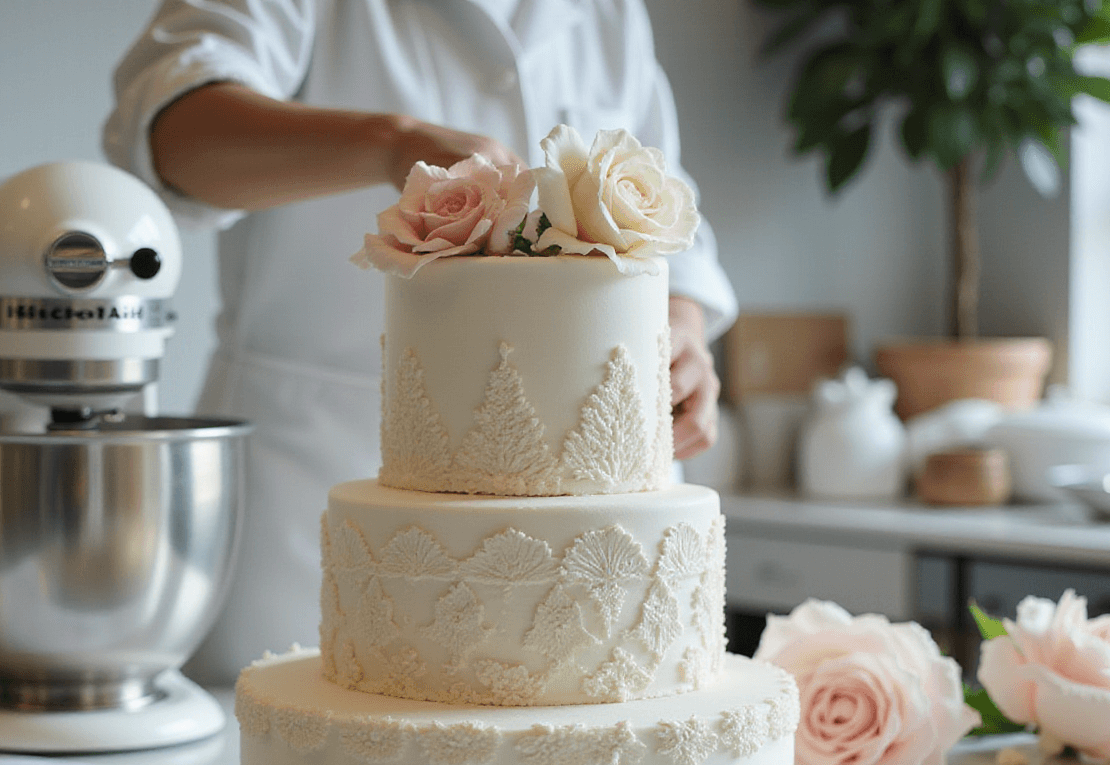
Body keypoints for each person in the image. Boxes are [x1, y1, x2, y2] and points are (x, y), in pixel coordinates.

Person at [103, 0, 737, 683]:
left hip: (593, 519)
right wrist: (392, 143)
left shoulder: (609, 12)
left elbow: (668, 207)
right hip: (310, 484)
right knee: (311, 747)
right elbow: (174, 138)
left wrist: (681, 332)